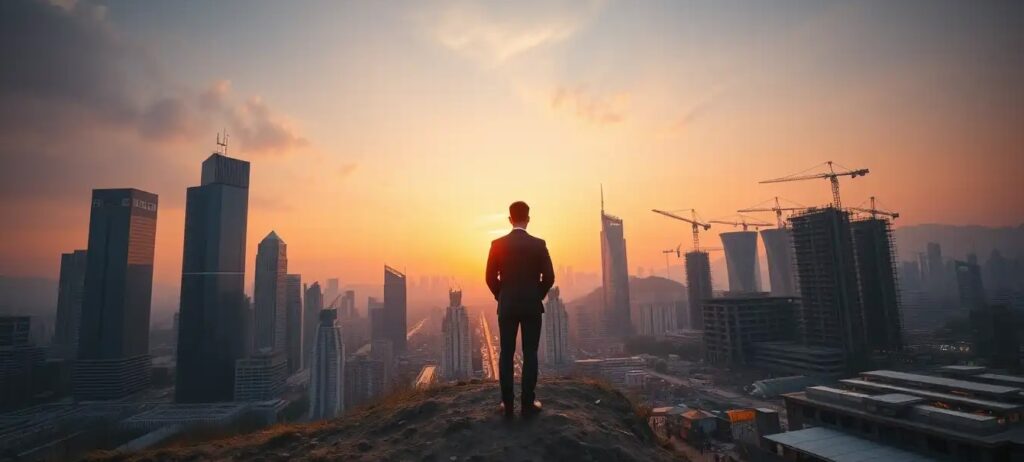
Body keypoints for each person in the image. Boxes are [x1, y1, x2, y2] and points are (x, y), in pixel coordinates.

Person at [485, 201, 555, 418]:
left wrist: (501, 295)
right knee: (530, 352)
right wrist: (537, 294)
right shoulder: (539, 244)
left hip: (507, 306)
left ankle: (507, 405)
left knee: (506, 353)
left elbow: (489, 277)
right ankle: (527, 403)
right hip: (531, 306)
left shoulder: (497, 244)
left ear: (509, 219)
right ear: (528, 218)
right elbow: (549, 277)